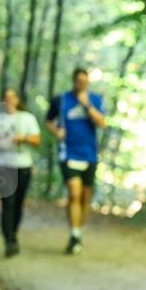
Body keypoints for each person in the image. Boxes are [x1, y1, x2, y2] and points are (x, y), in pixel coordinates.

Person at [45, 67, 106, 255]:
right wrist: (57, 132)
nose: (81, 84)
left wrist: (87, 105)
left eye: (84, 82)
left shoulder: (95, 99)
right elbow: (48, 121)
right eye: (79, 81)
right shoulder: (61, 100)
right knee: (74, 191)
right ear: (74, 81)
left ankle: (78, 230)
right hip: (68, 153)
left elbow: (102, 123)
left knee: (85, 196)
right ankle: (74, 234)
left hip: (89, 154)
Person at [0, 88, 41, 257]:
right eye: (6, 97)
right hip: (1, 166)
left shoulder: (27, 118)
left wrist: (22, 138)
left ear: (17, 99)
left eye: (12, 97)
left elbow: (37, 140)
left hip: (23, 166)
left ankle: (13, 234)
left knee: (17, 204)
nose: (9, 100)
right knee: (7, 203)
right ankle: (9, 241)